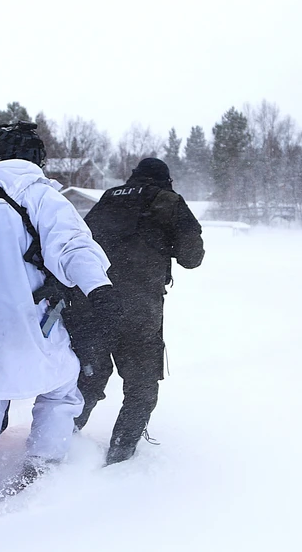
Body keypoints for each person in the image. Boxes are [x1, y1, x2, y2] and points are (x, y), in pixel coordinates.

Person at [0, 122, 111, 497]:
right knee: (62, 391)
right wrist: (99, 288)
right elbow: (72, 247)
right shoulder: (44, 199)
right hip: (29, 332)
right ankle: (39, 478)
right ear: (38, 159)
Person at [68, 157, 204, 465]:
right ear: (166, 181)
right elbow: (192, 256)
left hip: (93, 303)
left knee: (87, 379)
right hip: (138, 309)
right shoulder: (169, 201)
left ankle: (58, 445)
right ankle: (119, 458)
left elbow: (81, 241)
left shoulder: (108, 198)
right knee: (141, 387)